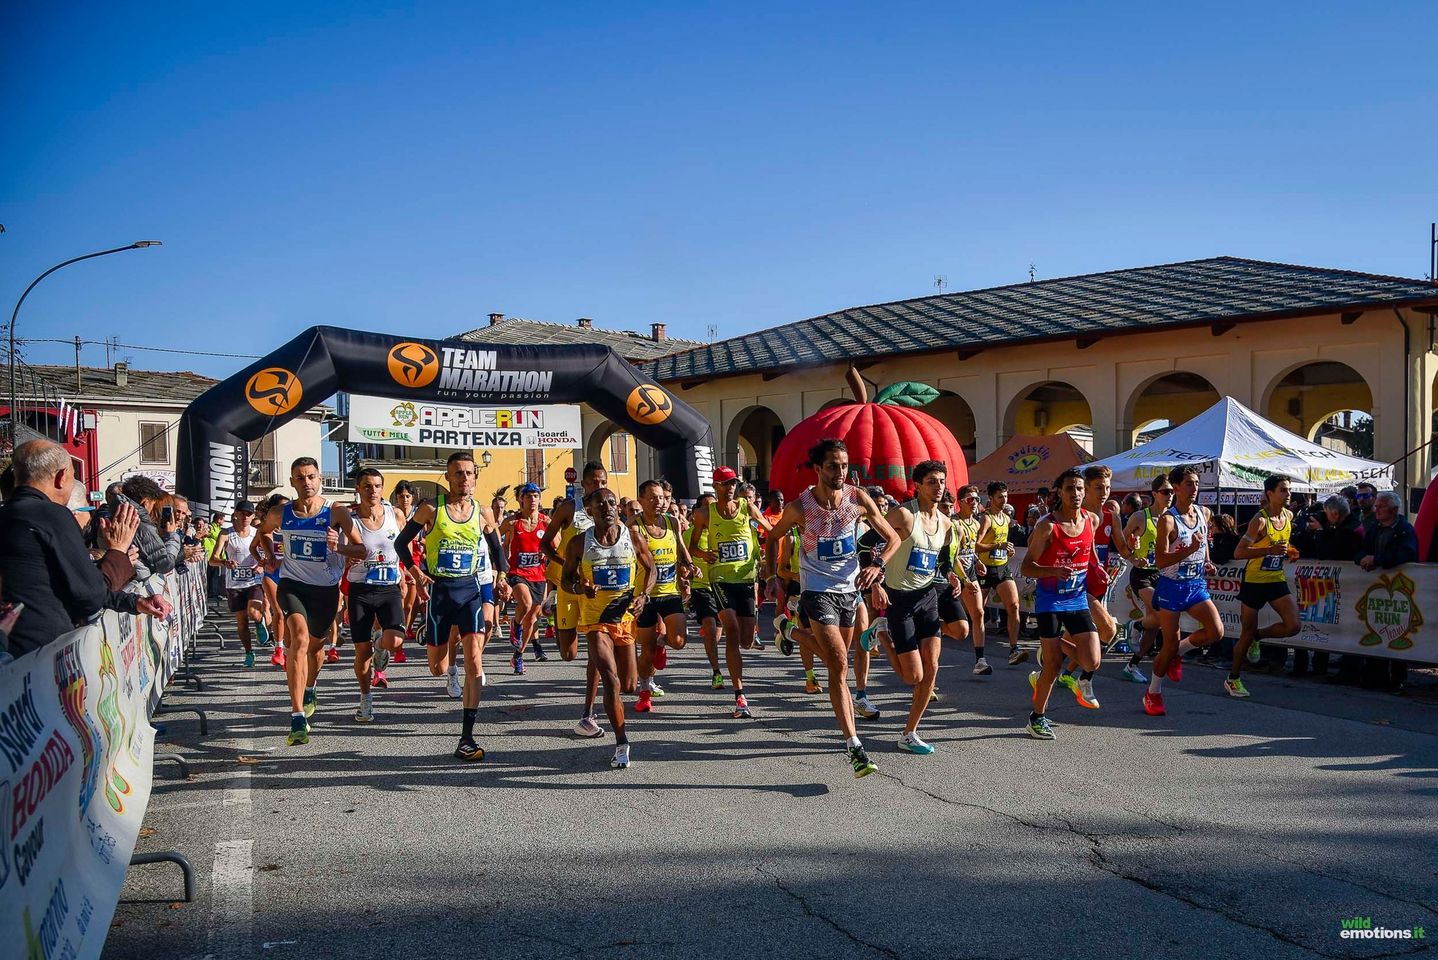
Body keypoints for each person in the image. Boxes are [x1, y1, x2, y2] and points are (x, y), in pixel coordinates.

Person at [765, 438, 897, 778]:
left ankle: (789, 630)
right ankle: (855, 747)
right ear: (818, 469)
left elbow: (893, 538)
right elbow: (773, 537)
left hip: (849, 591)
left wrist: (877, 565)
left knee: (838, 661)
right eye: (833, 466)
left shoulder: (857, 498)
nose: (840, 472)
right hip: (816, 590)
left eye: (844, 466)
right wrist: (771, 576)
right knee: (838, 663)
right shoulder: (800, 506)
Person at [395, 452, 510, 760]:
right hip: (440, 593)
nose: (464, 478)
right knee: (438, 668)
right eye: (458, 473)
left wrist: (502, 577)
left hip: (470, 591)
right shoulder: (431, 509)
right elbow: (400, 543)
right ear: (448, 477)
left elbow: (497, 550)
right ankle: (437, 641)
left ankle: (466, 738)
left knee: (475, 661)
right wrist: (416, 572)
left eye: (469, 473)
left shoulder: (482, 512)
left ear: (475, 477)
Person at [0, 440, 161, 656]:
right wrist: (117, 551)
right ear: (61, 477)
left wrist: (134, 602)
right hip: (40, 651)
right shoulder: (52, 515)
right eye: (73, 476)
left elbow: (58, 582)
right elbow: (88, 595)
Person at [253, 458, 367, 746]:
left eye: (311, 477)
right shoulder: (280, 513)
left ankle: (311, 687)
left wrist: (338, 547)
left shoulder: (336, 512)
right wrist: (271, 557)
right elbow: (262, 533)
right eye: (300, 478)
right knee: (299, 640)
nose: (307, 482)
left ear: (320, 480)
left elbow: (361, 550)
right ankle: (297, 717)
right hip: (292, 586)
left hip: (325, 590)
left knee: (315, 648)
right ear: (292, 482)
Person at [866, 460, 961, 754]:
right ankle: (881, 632)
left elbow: (941, 557)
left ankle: (909, 733)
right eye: (931, 481)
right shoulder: (904, 515)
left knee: (931, 668)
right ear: (917, 485)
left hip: (927, 597)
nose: (938, 487)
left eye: (942, 481)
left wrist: (950, 574)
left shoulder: (946, 523)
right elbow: (866, 544)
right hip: (898, 600)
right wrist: (876, 583)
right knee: (912, 677)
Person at [563, 487, 657, 769]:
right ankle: (621, 743)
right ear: (590, 511)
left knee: (628, 685)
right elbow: (566, 580)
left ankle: (613, 719)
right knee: (611, 681)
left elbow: (651, 569)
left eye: (611, 503)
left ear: (618, 507)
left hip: (624, 620)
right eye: (600, 504)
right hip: (595, 621)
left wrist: (644, 596)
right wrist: (580, 587)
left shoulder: (633, 537)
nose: (607, 508)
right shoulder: (579, 543)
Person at [1021, 468, 1108, 740]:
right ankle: (1037, 718)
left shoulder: (1091, 520)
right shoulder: (1048, 526)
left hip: (1077, 599)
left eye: (1080, 488)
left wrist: (1097, 568)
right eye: (1070, 488)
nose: (1076, 493)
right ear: (1060, 492)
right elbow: (1026, 567)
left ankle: (1051, 647)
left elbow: (1088, 551)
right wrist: (1052, 571)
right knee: (1053, 666)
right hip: (1050, 601)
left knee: (1092, 661)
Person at [688, 466, 773, 718]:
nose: (730, 487)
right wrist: (704, 554)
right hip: (720, 579)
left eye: (733, 483)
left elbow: (770, 530)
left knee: (746, 640)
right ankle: (740, 695)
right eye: (725, 483)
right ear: (715, 486)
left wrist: (768, 562)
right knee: (732, 630)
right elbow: (692, 547)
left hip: (745, 579)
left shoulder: (747, 507)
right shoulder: (705, 513)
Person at [1143, 466, 1224, 717]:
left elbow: (1203, 541)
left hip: (1195, 584)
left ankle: (1181, 651)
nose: (1194, 488)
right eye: (1189, 484)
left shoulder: (1203, 512)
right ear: (1176, 488)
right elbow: (1160, 561)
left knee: (1216, 631)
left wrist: (1207, 560)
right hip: (1172, 586)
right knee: (1167, 645)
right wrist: (1189, 551)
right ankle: (1153, 692)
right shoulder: (1168, 520)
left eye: (1197, 483)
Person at [539, 460, 608, 736]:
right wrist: (566, 563)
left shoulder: (610, 509)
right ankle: (554, 605)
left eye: (603, 482)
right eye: (593, 482)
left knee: (596, 648)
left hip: (594, 590)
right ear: (584, 484)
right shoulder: (570, 508)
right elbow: (545, 543)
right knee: (568, 654)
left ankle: (588, 713)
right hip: (567, 585)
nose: (598, 487)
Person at [1226, 475, 1301, 698]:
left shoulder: (1288, 515)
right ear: (1270, 493)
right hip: (1254, 582)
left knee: (1293, 626)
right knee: (1245, 634)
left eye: (1289, 490)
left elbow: (1282, 543)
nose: (1288, 494)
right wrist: (1268, 551)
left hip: (1275, 578)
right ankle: (1233, 679)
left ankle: (1258, 637)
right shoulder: (1259, 520)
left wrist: (1291, 551)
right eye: (1283, 490)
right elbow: (1238, 552)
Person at [346, 469, 408, 721]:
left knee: (395, 640)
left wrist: (405, 572)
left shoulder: (396, 515)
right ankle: (365, 698)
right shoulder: (350, 519)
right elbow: (341, 549)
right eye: (367, 486)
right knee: (362, 652)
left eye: (377, 486)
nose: (373, 491)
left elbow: (403, 546)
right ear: (358, 489)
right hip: (360, 589)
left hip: (389, 587)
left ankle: (380, 646)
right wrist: (346, 556)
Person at [630, 479, 694, 713]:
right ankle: (644, 692)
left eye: (662, 497)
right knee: (646, 650)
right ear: (641, 500)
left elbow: (680, 547)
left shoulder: (671, 521)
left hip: (669, 591)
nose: (659, 502)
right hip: (644, 596)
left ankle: (662, 642)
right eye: (652, 498)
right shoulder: (633, 527)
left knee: (678, 641)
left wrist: (689, 565)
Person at [1120, 476, 1175, 683]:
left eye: (1172, 492)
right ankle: (1136, 626)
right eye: (1165, 491)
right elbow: (1121, 542)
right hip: (1142, 575)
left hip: (1162, 574)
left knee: (1155, 625)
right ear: (1154, 494)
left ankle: (1132, 665)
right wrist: (1133, 555)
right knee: (1162, 615)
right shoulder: (1140, 517)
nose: (1170, 495)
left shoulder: (1172, 518)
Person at [208, 500, 267, 667]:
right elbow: (212, 559)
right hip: (234, 584)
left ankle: (259, 621)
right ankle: (249, 653)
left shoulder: (258, 533)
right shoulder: (226, 533)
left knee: (253, 612)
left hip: (253, 581)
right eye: (242, 514)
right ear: (236, 514)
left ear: (253, 516)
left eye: (249, 514)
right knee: (242, 621)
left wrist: (261, 565)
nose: (245, 517)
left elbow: (267, 555)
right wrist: (225, 562)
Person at [502, 482, 550, 674]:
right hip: (518, 572)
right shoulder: (512, 522)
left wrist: (546, 553)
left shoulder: (546, 522)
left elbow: (557, 545)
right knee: (526, 603)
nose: (532, 500)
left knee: (532, 618)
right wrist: (502, 565)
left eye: (535, 496)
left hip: (538, 574)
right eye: (528, 496)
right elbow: (495, 540)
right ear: (521, 499)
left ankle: (518, 655)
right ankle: (515, 624)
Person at [975, 482, 1025, 664]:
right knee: (978, 612)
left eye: (1006, 496)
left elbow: (1004, 545)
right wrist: (998, 545)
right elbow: (976, 545)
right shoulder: (986, 519)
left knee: (1014, 606)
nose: (1004, 500)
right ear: (991, 498)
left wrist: (1008, 550)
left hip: (1002, 568)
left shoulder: (1006, 518)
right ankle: (979, 653)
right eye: (1000, 497)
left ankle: (1014, 649)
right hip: (985, 569)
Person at [947, 484, 986, 674]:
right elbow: (952, 555)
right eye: (970, 499)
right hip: (954, 572)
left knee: (978, 613)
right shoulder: (954, 523)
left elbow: (970, 549)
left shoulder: (976, 524)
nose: (974, 503)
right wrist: (963, 579)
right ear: (960, 502)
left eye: (977, 499)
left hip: (970, 570)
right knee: (954, 625)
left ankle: (980, 660)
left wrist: (978, 561)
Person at [1355, 491, 1419, 570]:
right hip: (1374, 576)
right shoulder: (1374, 528)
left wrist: (1376, 560)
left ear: (1394, 510)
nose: (1376, 510)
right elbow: (1361, 549)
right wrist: (1362, 558)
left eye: (1381, 507)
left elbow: (1405, 555)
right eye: (1376, 506)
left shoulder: (1405, 530)